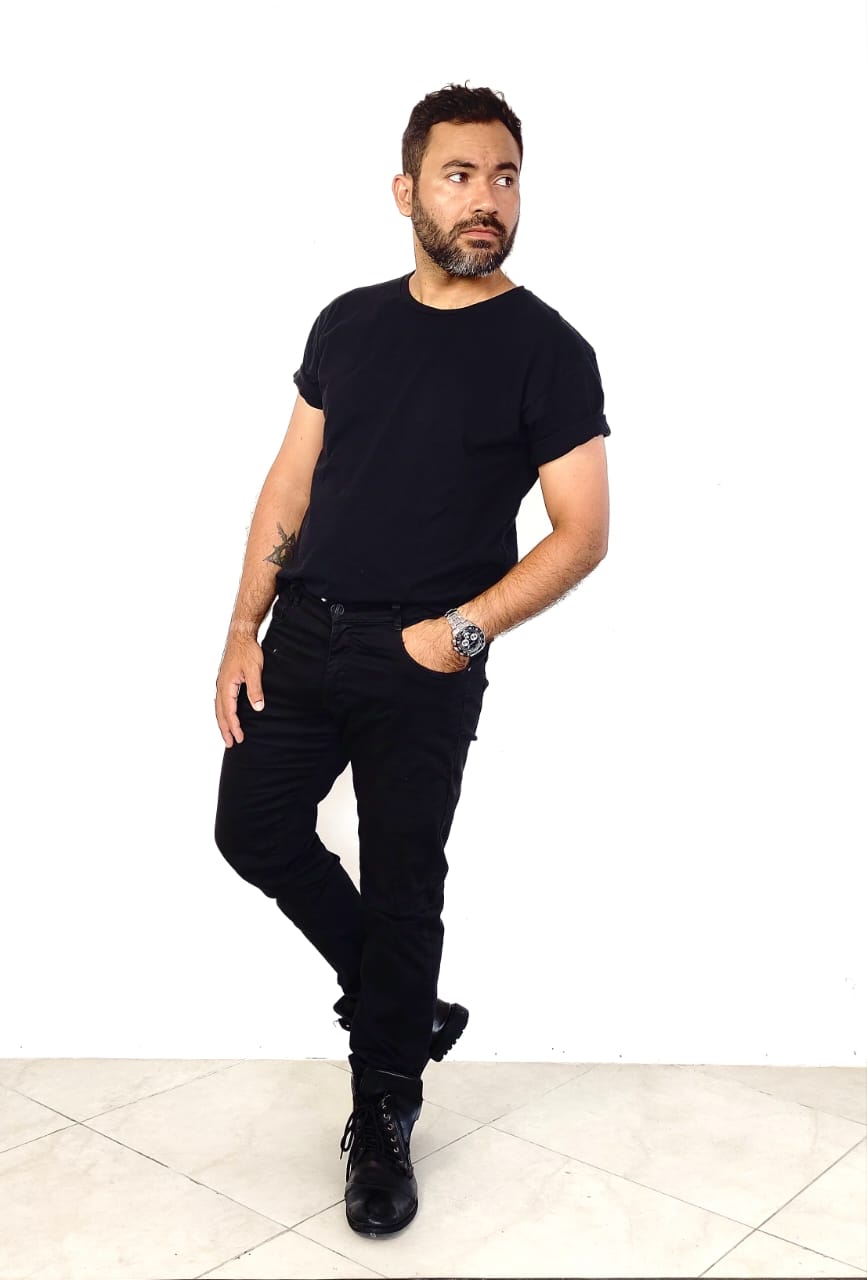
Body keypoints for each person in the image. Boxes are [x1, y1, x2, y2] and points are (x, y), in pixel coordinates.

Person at [213, 82, 611, 1238]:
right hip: (304, 631)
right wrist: (241, 626)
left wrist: (460, 632)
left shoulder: (550, 351)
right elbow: (289, 483)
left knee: (402, 880)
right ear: (407, 191)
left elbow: (583, 530)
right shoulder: (347, 323)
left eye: (505, 176)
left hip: (425, 657)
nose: (487, 199)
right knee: (253, 830)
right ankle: (405, 1004)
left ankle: (383, 1110)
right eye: (459, 174)